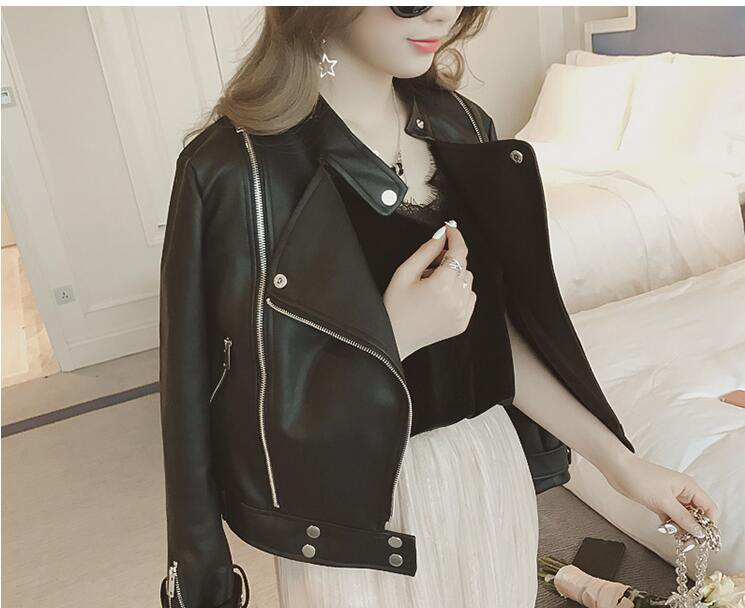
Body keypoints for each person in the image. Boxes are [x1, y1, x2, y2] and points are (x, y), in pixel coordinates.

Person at [159, 7, 721, 608]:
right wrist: (393, 336)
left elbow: (497, 340)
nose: (443, 11)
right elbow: (204, 406)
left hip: (486, 468)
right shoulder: (232, 170)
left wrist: (622, 465)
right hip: (353, 513)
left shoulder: (463, 127)